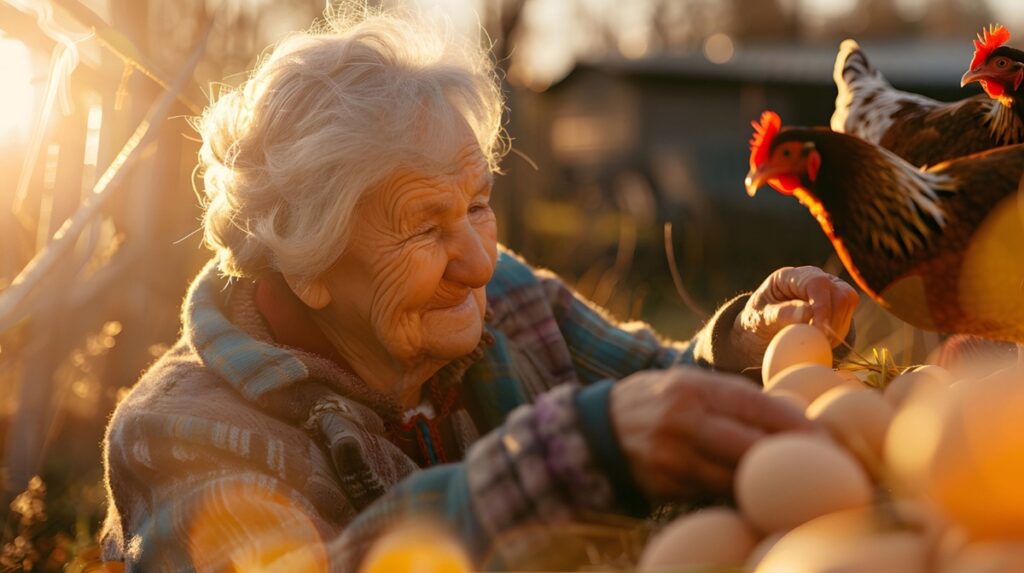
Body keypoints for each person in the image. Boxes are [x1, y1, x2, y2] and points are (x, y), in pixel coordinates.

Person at [99, 6, 858, 571]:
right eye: (426, 229)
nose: (479, 261)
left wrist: (740, 345)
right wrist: (563, 457)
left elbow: (660, 394)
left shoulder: (514, 302)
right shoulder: (181, 435)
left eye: (477, 205)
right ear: (304, 262)